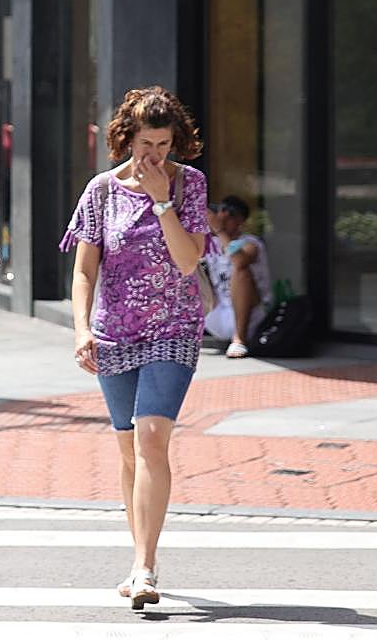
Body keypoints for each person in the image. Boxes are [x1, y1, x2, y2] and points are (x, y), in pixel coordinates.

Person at [61, 86, 209, 610]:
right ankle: (138, 554)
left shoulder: (189, 186)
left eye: (164, 144)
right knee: (128, 449)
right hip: (115, 331)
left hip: (174, 327)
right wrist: (81, 329)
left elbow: (189, 261)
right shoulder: (101, 191)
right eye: (146, 143)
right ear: (126, 139)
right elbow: (85, 268)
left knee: (150, 439)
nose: (154, 155)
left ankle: (145, 567)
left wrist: (162, 200)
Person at [204, 195, 272, 358]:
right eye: (222, 211)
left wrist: (220, 230)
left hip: (251, 317)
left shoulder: (251, 242)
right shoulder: (209, 242)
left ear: (241, 221)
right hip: (217, 312)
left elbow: (240, 261)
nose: (224, 217)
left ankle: (239, 340)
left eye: (231, 214)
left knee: (241, 270)